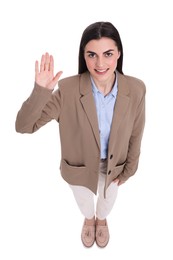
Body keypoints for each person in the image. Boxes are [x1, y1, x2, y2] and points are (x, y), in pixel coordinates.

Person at [15, 21, 146, 248]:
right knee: (85, 203)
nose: (100, 63)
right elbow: (24, 126)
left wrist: (130, 169)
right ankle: (89, 219)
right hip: (79, 167)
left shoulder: (136, 89)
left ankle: (101, 220)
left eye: (108, 54)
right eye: (92, 55)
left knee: (106, 202)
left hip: (114, 166)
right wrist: (41, 91)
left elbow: (137, 130)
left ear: (119, 54)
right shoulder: (67, 90)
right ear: (83, 56)